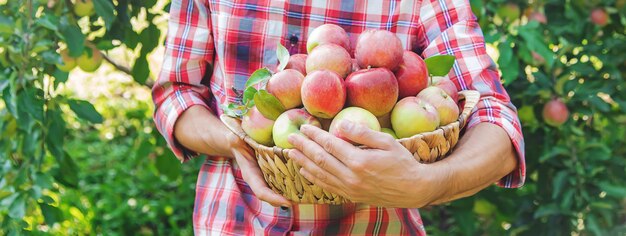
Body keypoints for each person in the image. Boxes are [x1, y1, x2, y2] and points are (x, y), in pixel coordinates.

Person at [152, 0, 526, 235]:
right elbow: (176, 93)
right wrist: (235, 142)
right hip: (233, 223)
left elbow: (495, 117)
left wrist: (427, 184)